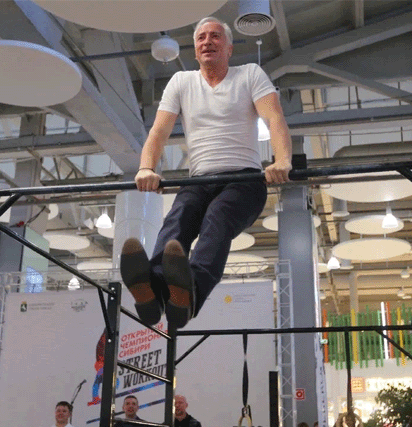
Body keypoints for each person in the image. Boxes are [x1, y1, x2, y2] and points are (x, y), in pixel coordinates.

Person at [120, 16, 292, 329]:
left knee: (218, 216)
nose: (207, 42)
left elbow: (274, 118)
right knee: (179, 217)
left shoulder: (249, 74)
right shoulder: (181, 82)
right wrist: (146, 168)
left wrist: (282, 161)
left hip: (244, 180)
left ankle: (191, 294)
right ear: (195, 49)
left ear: (229, 48)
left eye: (215, 36)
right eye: (201, 38)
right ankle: (154, 293)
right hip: (198, 181)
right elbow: (158, 131)